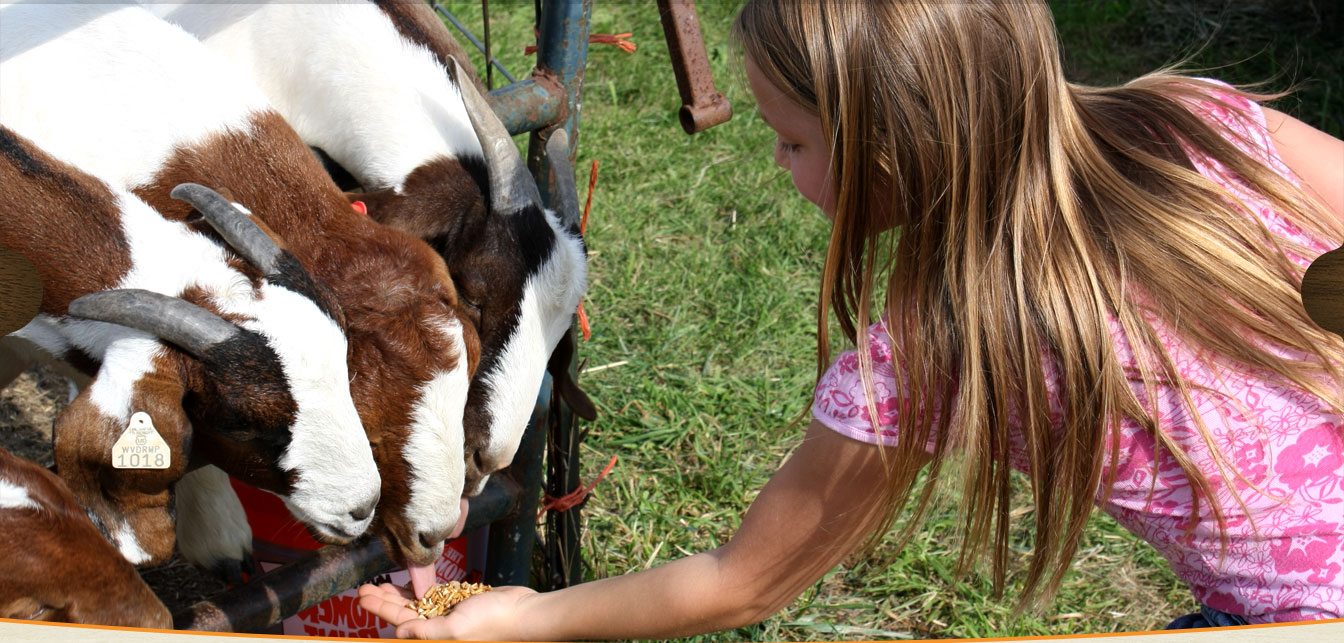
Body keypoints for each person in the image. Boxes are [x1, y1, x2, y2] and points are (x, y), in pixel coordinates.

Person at [357, 1, 1344, 638]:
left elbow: (742, 579)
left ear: (889, 152)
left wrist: (499, 620)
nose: (781, 168)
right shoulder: (1205, 124)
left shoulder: (933, 349)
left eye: (792, 141)